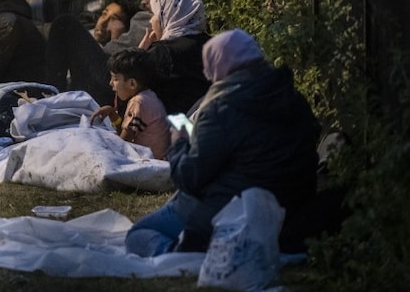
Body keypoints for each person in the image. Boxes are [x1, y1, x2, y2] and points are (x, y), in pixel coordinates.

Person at [125, 29, 320, 256]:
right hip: (290, 207)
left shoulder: (221, 108)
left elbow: (189, 178)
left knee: (139, 233)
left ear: (217, 65)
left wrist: (179, 140)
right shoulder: (292, 97)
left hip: (233, 208)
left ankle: (181, 252)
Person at [45, 0, 174, 106]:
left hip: (113, 74)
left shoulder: (155, 19)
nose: (144, 1)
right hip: (108, 75)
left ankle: (48, 94)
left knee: (65, 24)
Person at [139, 0, 213, 115]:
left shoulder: (162, 53)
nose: (151, 21)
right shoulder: (213, 45)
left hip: (174, 131)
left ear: (167, 14)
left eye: (155, 13)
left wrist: (140, 54)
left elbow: (127, 92)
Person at [91, 48, 170, 159]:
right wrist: (112, 113)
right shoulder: (149, 96)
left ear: (132, 83)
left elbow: (122, 143)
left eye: (115, 79)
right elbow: (126, 131)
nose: (110, 83)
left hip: (151, 160)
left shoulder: (138, 102)